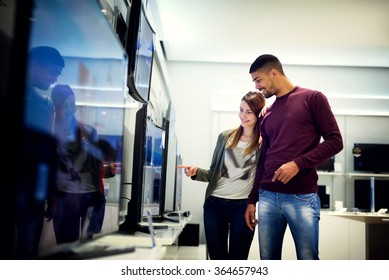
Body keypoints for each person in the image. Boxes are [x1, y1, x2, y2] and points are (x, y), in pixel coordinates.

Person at [245, 54, 343, 260]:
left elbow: (335, 141)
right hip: (268, 197)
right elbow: (263, 159)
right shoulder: (267, 114)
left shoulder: (313, 98)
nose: (256, 86)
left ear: (274, 73)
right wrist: (252, 200)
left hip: (301, 197)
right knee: (268, 261)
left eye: (258, 79)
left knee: (307, 260)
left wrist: (298, 164)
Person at [178, 91, 266, 260]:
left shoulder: (264, 142)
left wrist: (267, 114)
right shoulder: (226, 137)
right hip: (214, 205)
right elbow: (213, 173)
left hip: (242, 207)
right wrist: (196, 171)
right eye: (241, 110)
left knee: (237, 260)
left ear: (258, 113)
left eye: (249, 112)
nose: (243, 115)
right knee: (217, 260)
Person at [14, 46, 65, 258]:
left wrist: (50, 193)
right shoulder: (35, 103)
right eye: (52, 72)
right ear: (34, 65)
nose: (54, 80)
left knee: (28, 249)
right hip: (22, 187)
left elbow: (46, 152)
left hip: (32, 190)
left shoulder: (42, 104)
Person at [49, 84, 109, 244]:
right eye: (64, 105)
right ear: (55, 106)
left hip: (91, 197)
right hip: (65, 199)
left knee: (87, 251)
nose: (70, 109)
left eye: (72, 104)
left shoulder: (89, 132)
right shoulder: (50, 133)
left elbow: (98, 165)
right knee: (66, 251)